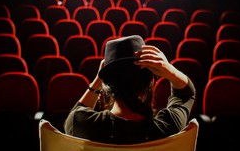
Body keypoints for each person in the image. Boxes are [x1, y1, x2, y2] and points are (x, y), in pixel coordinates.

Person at [64, 35, 196, 144]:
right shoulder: (167, 128)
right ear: (150, 82)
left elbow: (74, 114)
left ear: (107, 85)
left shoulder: (82, 125)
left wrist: (98, 79)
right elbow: (186, 94)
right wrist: (170, 70)